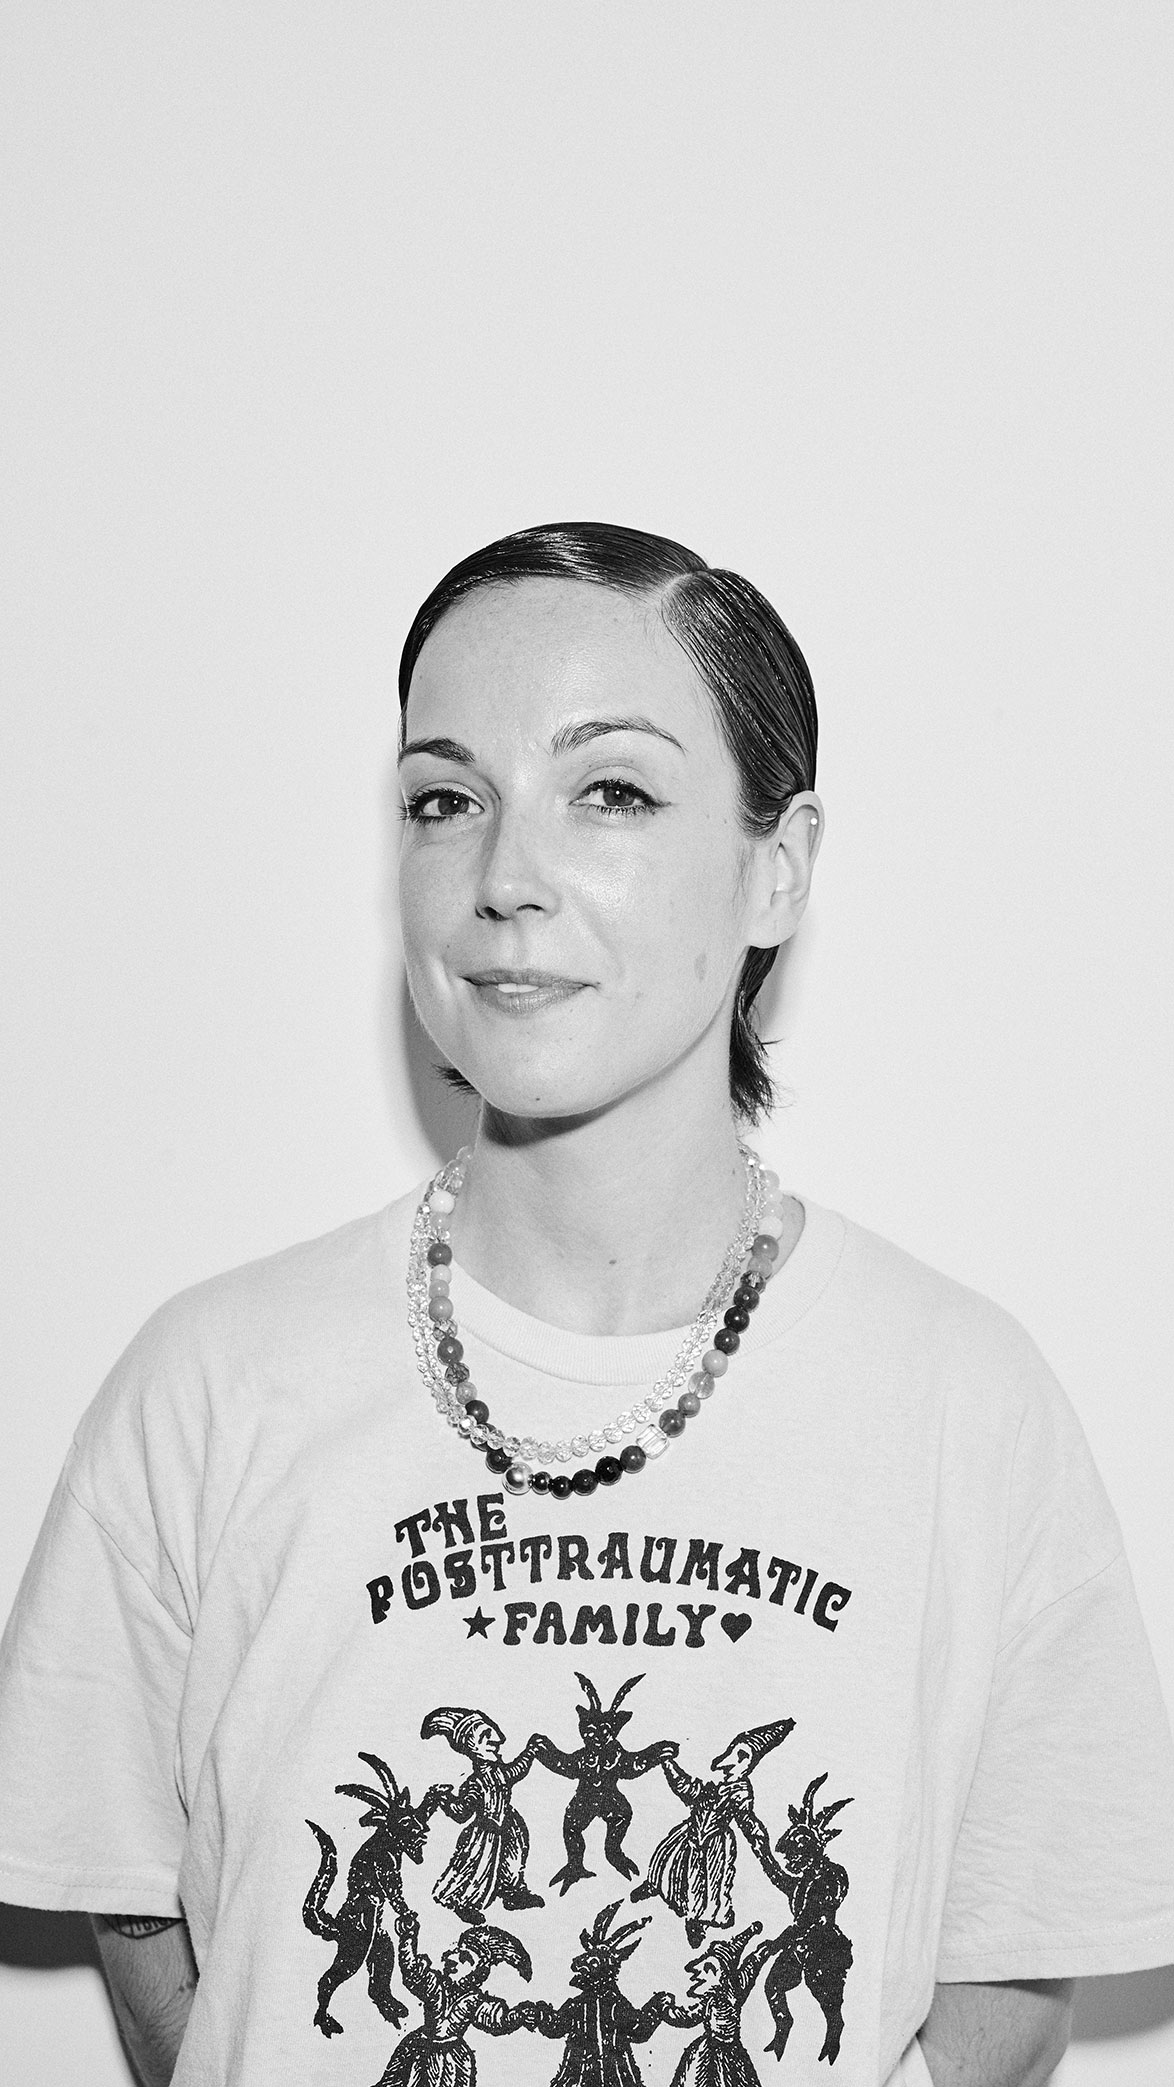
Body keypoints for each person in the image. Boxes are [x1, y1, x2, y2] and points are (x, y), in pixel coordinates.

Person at [0, 521, 1172, 2087]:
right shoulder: (212, 1382)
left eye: (608, 791)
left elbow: (1016, 1951)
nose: (501, 877)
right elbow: (132, 1901)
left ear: (779, 866)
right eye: (443, 798)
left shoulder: (960, 1401)